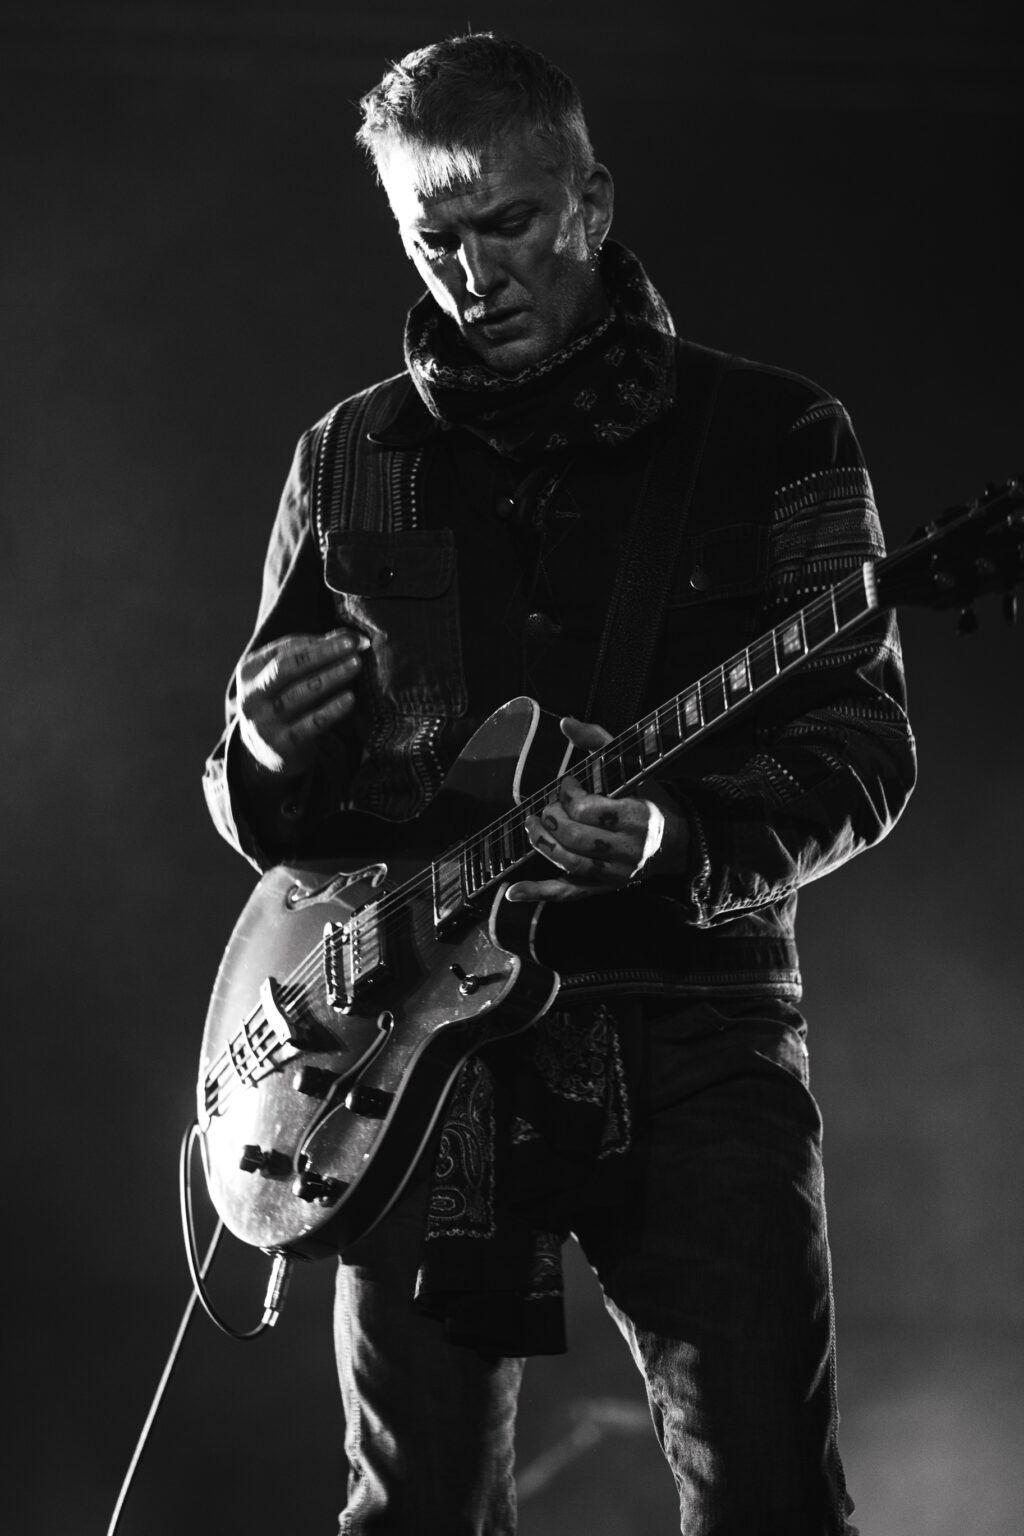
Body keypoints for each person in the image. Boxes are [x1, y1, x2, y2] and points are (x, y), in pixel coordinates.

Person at [203, 32, 916, 1536]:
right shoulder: (353, 460)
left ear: (591, 200)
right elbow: (281, 818)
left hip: (690, 1025)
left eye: (509, 223)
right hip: (416, 1065)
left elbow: (863, 753)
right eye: (431, 236)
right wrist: (262, 754)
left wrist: (672, 835)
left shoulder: (775, 437)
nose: (473, 271)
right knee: (414, 1511)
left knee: (770, 1499)